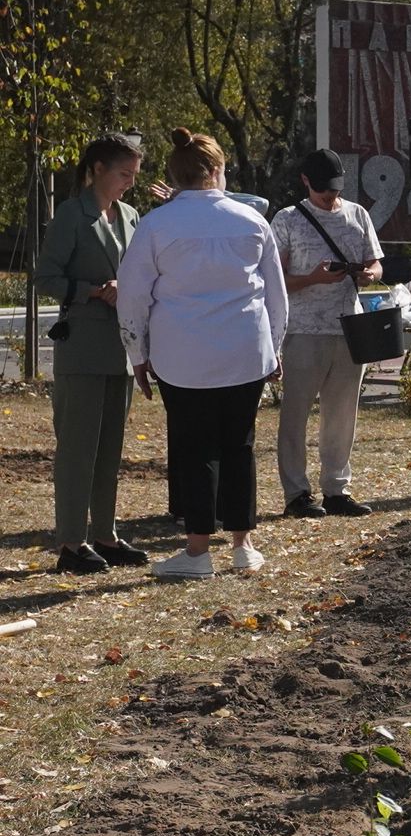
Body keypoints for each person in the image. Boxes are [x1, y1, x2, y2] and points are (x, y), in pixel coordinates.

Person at [116, 128, 288, 579]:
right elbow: (276, 294)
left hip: (181, 354)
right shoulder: (252, 221)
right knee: (240, 444)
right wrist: (275, 347)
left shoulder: (156, 224)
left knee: (194, 448)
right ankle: (242, 544)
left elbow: (132, 295)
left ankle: (197, 550)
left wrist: (137, 352)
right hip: (245, 350)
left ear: (175, 175)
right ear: (216, 170)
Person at [35, 134, 151, 574]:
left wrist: (128, 288)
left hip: (121, 347)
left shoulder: (131, 215)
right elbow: (45, 278)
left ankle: (105, 534)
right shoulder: (71, 214)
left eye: (134, 175)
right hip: (82, 347)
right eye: (124, 174)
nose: (129, 183)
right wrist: (93, 291)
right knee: (78, 450)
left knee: (109, 450)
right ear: (98, 169)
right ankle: (71, 542)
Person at [271, 148, 383, 520]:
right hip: (303, 330)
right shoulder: (287, 219)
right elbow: (274, 279)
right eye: (322, 190)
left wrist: (370, 274)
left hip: (349, 329)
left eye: (334, 189)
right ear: (305, 181)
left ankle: (336, 489)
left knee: (342, 415)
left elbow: (376, 261)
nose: (330, 196)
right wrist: (313, 278)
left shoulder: (357, 214)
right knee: (295, 415)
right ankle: (297, 494)